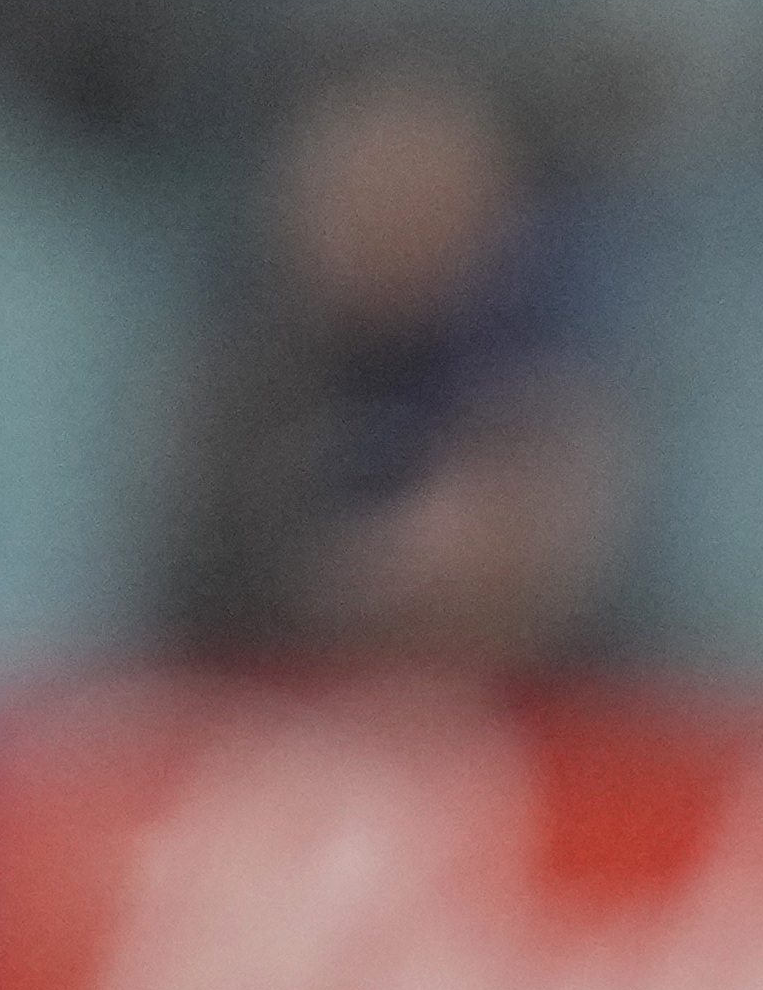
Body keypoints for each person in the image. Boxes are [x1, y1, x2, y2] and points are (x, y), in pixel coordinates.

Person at [154, 59, 627, 676]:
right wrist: (361, 575)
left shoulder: (535, 378)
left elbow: (578, 606)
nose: (393, 221)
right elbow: (197, 584)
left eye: (422, 193)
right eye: (370, 195)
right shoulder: (240, 380)